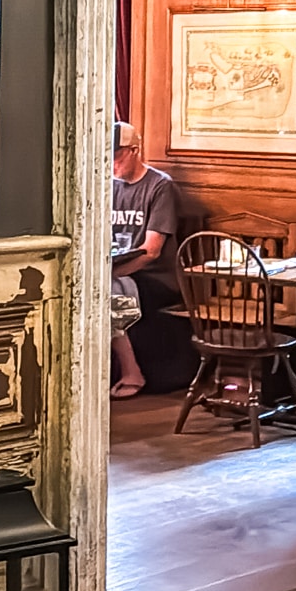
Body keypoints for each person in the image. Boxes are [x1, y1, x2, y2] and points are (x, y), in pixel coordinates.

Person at [110, 121, 188, 398]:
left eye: (117, 155)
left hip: (155, 276)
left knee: (108, 294)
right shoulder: (109, 186)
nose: (112, 163)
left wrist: (111, 275)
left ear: (135, 150)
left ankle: (133, 373)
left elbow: (151, 250)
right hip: (119, 270)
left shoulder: (159, 187)